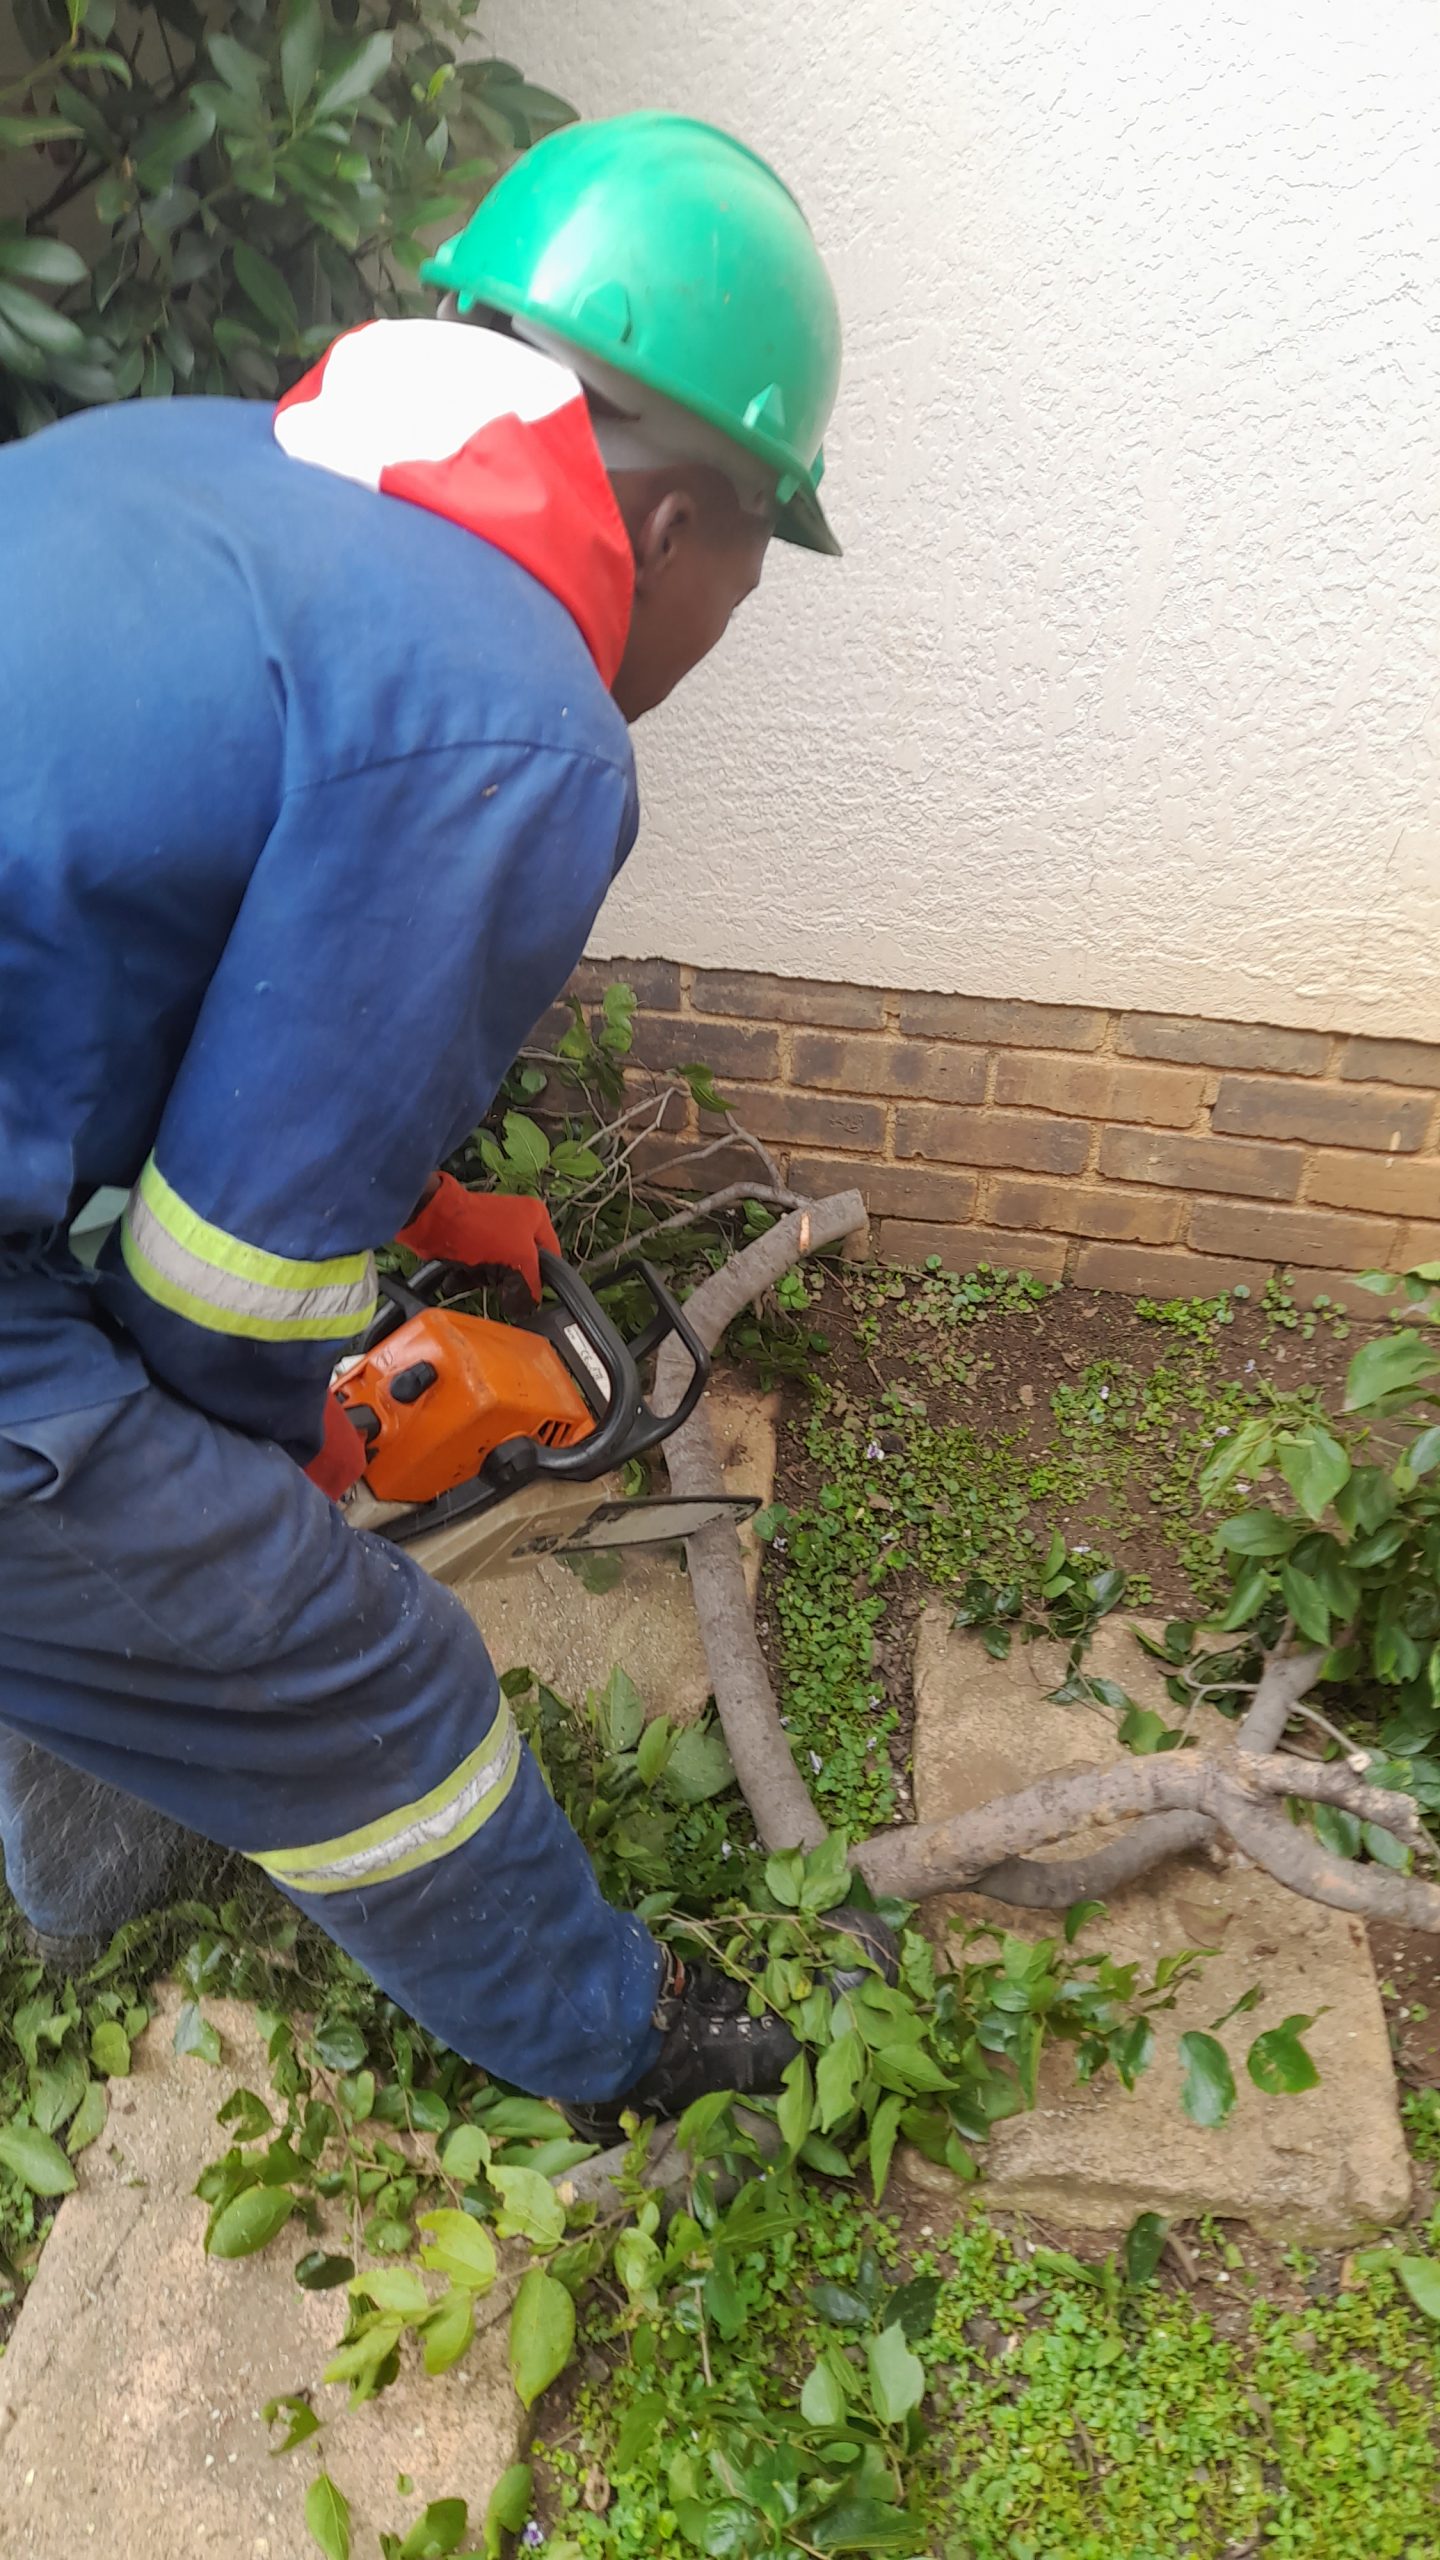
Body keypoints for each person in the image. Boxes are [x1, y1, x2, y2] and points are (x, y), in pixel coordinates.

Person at [0, 112, 848, 2126]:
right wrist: (287, 1456)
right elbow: (220, 1297)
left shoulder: (187, 460)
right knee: (356, 1660)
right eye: (752, 570)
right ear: (678, 526)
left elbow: (149, 949)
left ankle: (95, 1880)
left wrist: (424, 1203)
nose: (720, 627)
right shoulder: (517, 712)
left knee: (137, 1527)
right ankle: (624, 2042)